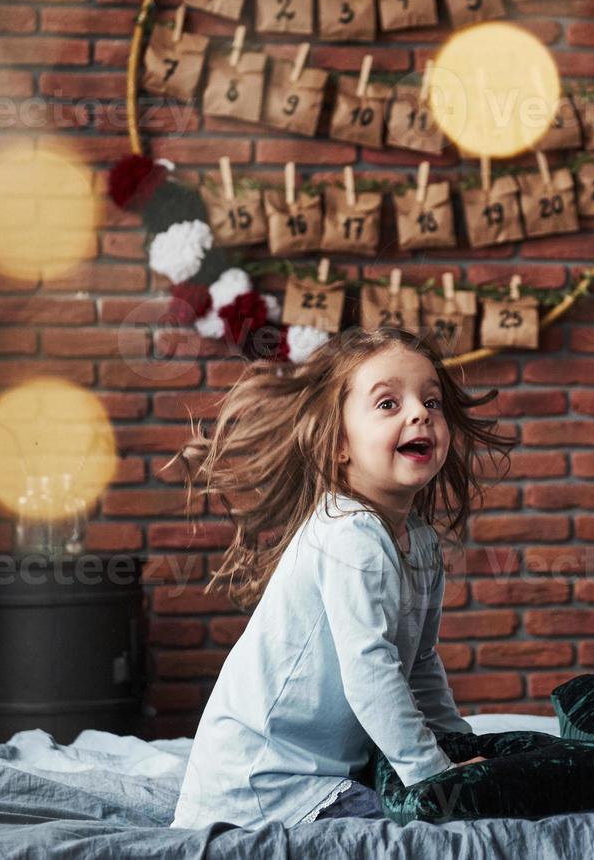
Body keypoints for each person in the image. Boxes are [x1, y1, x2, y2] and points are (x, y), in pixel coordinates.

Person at [170, 327, 513, 828]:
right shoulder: (348, 533)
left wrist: (454, 745)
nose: (420, 413)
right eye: (388, 404)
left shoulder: (419, 542)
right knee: (417, 833)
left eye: (432, 401)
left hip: (327, 771)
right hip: (265, 785)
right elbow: (371, 672)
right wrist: (434, 778)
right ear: (338, 446)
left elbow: (417, 664)